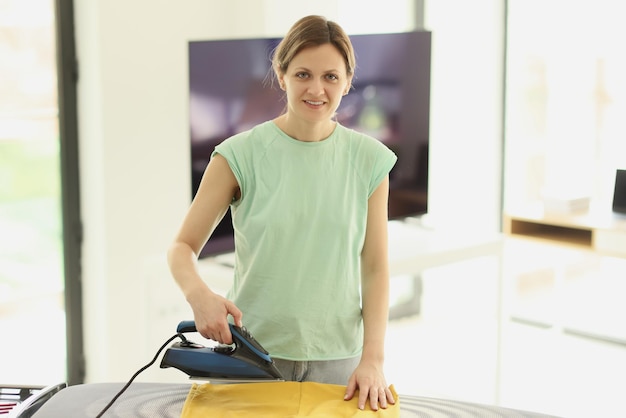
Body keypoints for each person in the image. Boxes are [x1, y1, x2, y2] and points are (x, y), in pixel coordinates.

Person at [167, 15, 397, 411]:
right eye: (303, 74)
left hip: (339, 360)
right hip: (253, 353)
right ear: (282, 72)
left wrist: (372, 359)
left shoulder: (370, 161)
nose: (316, 89)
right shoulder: (239, 155)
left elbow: (374, 266)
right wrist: (199, 295)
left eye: (330, 77)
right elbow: (182, 247)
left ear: (347, 80)